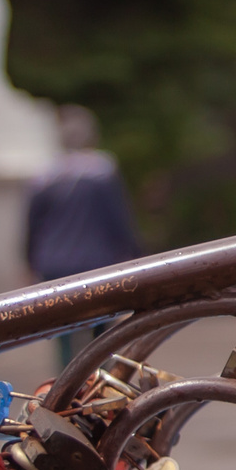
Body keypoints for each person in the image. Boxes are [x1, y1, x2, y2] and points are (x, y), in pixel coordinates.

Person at [24, 106, 143, 364]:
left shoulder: (45, 174)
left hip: (54, 263)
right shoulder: (102, 171)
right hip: (97, 262)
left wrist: (28, 262)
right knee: (103, 334)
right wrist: (134, 255)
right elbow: (118, 220)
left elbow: (32, 225)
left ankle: (65, 394)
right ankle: (101, 389)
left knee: (63, 332)